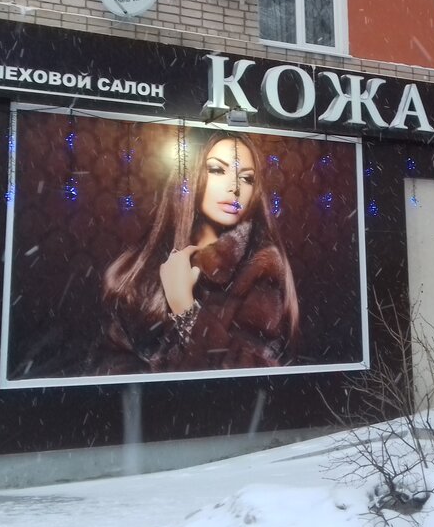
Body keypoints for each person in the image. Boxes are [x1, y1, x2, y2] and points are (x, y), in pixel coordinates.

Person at [97, 131, 299, 373]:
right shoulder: (137, 269)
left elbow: (246, 377)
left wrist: (185, 310)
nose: (235, 188)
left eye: (247, 178)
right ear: (188, 177)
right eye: (217, 170)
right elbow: (110, 369)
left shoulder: (262, 269)